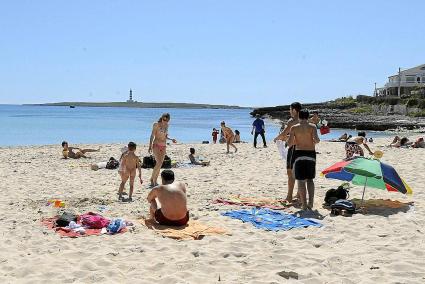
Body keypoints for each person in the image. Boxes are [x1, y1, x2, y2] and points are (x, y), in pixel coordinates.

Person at [288, 109, 320, 210]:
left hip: (299, 154)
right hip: (310, 154)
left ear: (300, 116)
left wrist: (296, 140)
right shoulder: (313, 126)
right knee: (310, 179)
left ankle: (304, 205)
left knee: (301, 181)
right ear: (307, 116)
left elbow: (289, 143)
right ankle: (311, 203)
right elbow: (317, 140)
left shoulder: (294, 128)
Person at [273, 102, 302, 203]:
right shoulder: (305, 120)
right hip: (304, 150)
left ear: (294, 110)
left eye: (290, 109)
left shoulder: (292, 121)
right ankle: (299, 194)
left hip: (294, 149)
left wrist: (276, 138)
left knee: (290, 174)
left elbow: (284, 133)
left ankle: (289, 196)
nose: (290, 112)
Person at [148, 113, 177, 187]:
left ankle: (153, 179)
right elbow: (152, 135)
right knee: (159, 163)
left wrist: (171, 139)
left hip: (163, 146)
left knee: (160, 164)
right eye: (164, 119)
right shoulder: (156, 124)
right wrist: (150, 145)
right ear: (162, 118)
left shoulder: (167, 125)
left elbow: (165, 136)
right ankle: (153, 180)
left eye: (167, 120)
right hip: (156, 145)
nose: (165, 121)